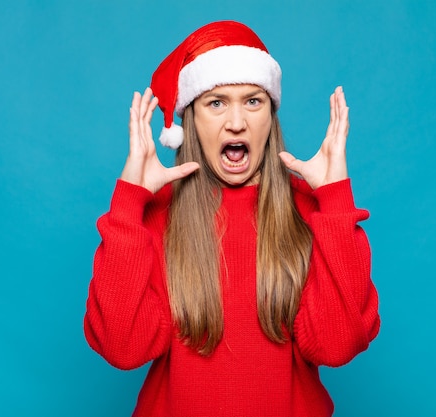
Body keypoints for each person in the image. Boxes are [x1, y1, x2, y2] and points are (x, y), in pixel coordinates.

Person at [84, 20, 380, 417]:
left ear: (270, 118)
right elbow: (123, 348)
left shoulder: (311, 211)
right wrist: (128, 204)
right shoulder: (156, 215)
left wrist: (336, 203)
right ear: (192, 120)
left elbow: (337, 345)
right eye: (216, 102)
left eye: (253, 101)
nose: (236, 122)